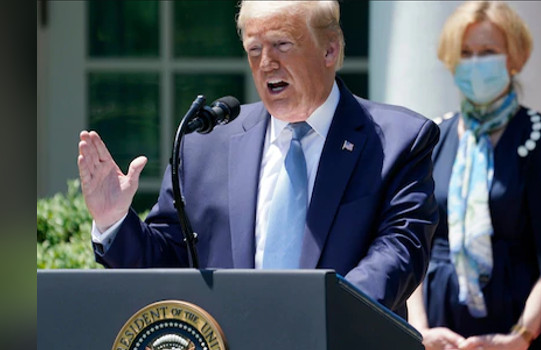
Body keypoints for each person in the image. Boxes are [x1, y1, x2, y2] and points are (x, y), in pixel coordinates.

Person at [77, 0, 440, 318]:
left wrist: (320, 313)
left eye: (282, 45)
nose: (266, 63)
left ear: (329, 51)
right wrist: (113, 222)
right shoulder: (205, 147)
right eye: (254, 50)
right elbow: (168, 263)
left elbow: (399, 252)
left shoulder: (397, 141)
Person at [405, 1, 541, 349]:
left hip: (518, 336)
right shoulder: (431, 138)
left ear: (514, 58)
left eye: (488, 51)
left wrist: (518, 338)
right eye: (465, 52)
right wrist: (419, 332)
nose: (475, 63)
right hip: (438, 336)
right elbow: (413, 243)